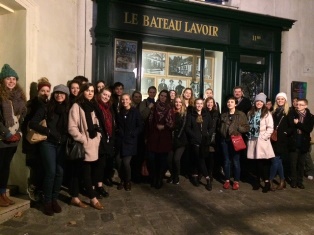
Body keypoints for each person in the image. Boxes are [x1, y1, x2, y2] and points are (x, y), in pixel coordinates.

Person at [29, 84, 69, 215]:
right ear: (53, 94)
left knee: (60, 172)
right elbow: (33, 123)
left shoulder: (68, 109)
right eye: (57, 93)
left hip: (61, 144)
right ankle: (47, 202)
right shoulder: (46, 107)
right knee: (51, 172)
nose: (59, 95)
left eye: (62, 93)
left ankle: (54, 199)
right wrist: (48, 131)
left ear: (66, 96)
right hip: (48, 143)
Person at [68, 83, 103, 210]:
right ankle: (93, 198)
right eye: (88, 90)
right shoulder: (76, 106)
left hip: (93, 143)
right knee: (86, 172)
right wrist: (83, 139)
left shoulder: (93, 106)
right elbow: (72, 127)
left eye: (92, 91)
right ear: (83, 92)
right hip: (84, 145)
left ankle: (74, 197)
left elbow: (96, 123)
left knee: (79, 172)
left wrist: (98, 137)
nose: (90, 93)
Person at [0, 64, 26, 207]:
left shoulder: (19, 97)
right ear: (2, 80)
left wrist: (19, 133)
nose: (11, 81)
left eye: (14, 78)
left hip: (14, 138)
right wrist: (8, 133)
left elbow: (22, 117)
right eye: (8, 78)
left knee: (5, 166)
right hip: (2, 138)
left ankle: (3, 193)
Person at [22, 77, 51, 202]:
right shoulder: (32, 104)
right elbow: (26, 124)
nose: (45, 93)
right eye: (43, 90)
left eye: (47, 91)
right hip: (33, 142)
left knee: (44, 167)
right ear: (38, 91)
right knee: (37, 167)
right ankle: (33, 188)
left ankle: (39, 190)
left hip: (44, 141)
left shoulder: (49, 104)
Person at [246, 93, 275, 193]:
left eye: (261, 101)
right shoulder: (250, 112)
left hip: (262, 141)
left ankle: (266, 182)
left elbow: (270, 127)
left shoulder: (267, 113)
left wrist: (264, 136)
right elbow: (248, 125)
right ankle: (257, 182)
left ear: (263, 103)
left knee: (263, 163)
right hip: (252, 140)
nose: (259, 103)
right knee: (254, 163)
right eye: (257, 101)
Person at [220, 97, 249, 190]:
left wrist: (238, 129)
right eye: (228, 102)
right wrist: (222, 132)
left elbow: (246, 127)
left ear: (235, 104)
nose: (229, 103)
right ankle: (227, 180)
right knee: (226, 161)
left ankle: (236, 181)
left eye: (232, 102)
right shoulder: (224, 115)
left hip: (236, 140)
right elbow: (219, 126)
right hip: (225, 140)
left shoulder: (241, 114)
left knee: (236, 161)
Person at [146, 90, 174, 189]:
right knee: (152, 159)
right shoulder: (154, 106)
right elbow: (150, 120)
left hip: (164, 137)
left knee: (162, 160)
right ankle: (153, 177)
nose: (163, 97)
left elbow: (172, 123)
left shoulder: (170, 108)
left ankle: (159, 179)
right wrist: (155, 126)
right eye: (161, 95)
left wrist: (165, 126)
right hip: (154, 135)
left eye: (165, 96)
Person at [186, 98, 214, 191]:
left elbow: (211, 127)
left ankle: (196, 175)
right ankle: (207, 178)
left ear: (203, 105)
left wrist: (207, 135)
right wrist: (195, 136)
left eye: (201, 103)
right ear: (195, 104)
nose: (199, 105)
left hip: (204, 141)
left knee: (199, 159)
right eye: (197, 103)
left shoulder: (207, 115)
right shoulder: (191, 115)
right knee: (199, 158)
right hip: (195, 141)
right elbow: (188, 128)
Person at [116, 94, 142, 191]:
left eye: (126, 99)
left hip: (130, 142)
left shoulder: (135, 112)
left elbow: (140, 126)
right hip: (120, 141)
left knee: (126, 163)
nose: (124, 101)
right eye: (123, 99)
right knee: (118, 162)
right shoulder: (120, 112)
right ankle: (122, 180)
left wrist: (133, 134)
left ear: (130, 100)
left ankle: (127, 181)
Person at [269, 92, 294, 190]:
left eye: (282, 99)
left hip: (282, 140)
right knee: (278, 160)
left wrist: (285, 133)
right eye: (278, 99)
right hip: (274, 139)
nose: (280, 101)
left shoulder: (288, 112)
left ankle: (270, 180)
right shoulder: (274, 111)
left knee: (275, 160)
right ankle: (282, 180)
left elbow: (292, 127)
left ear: (285, 100)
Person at [289, 98, 314, 189]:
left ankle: (300, 181)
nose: (298, 106)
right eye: (297, 104)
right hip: (294, 140)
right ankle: (293, 181)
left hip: (304, 142)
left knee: (301, 163)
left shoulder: (310, 116)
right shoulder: (292, 113)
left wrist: (298, 123)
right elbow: (290, 126)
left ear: (306, 106)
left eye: (301, 105)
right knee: (293, 163)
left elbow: (308, 129)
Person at [96, 88, 116, 188]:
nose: (106, 97)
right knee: (98, 164)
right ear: (100, 94)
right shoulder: (96, 106)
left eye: (108, 96)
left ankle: (99, 184)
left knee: (103, 164)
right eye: (104, 94)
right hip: (98, 139)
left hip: (107, 139)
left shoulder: (109, 108)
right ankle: (96, 186)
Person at [167, 96, 187, 185]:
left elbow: (183, 127)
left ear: (182, 103)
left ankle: (176, 176)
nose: (178, 104)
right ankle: (172, 175)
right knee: (169, 159)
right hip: (170, 140)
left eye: (179, 102)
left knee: (176, 159)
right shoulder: (171, 112)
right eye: (176, 102)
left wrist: (177, 136)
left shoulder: (185, 113)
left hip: (180, 140)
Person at [205, 97, 221, 183]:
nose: (209, 104)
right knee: (204, 154)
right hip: (205, 136)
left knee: (211, 156)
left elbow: (218, 125)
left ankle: (210, 173)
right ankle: (204, 172)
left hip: (213, 137)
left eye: (211, 102)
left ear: (214, 104)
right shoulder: (204, 112)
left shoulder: (216, 113)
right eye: (208, 102)